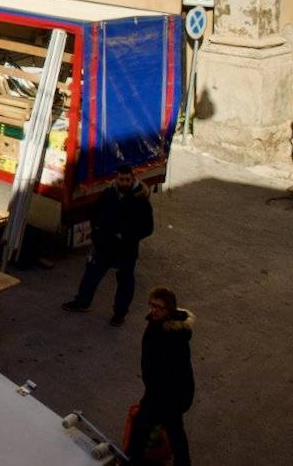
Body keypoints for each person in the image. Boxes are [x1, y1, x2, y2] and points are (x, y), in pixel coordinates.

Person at [63, 167, 154, 325]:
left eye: (127, 179)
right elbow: (95, 213)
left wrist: (126, 236)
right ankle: (82, 302)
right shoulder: (109, 194)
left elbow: (147, 228)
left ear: (133, 179)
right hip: (104, 245)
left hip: (126, 249)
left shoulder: (140, 201)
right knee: (91, 274)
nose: (124, 182)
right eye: (121, 179)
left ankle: (120, 314)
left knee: (125, 282)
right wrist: (97, 233)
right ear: (116, 178)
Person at [125, 287, 194, 465]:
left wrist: (153, 396)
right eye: (152, 305)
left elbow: (170, 372)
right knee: (172, 429)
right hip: (163, 392)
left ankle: (134, 459)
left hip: (168, 395)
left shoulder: (171, 336)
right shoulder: (159, 325)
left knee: (145, 425)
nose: (154, 310)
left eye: (159, 307)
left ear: (169, 310)